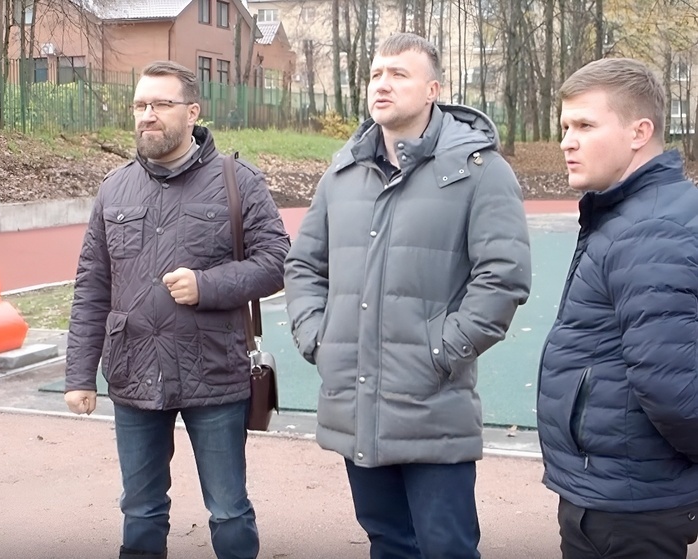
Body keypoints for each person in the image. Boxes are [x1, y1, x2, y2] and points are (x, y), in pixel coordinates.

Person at [283, 33, 531, 558]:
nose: (383, 84)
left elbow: (503, 276)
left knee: (447, 549)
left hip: (432, 407)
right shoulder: (343, 171)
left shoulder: (480, 171)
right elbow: (303, 264)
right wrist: (318, 338)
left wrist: (441, 349)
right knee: (389, 544)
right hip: (356, 405)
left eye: (399, 74)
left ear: (433, 90)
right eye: (376, 74)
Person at [64, 60, 289, 559]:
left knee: (228, 509)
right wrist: (79, 376)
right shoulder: (114, 188)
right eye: (140, 104)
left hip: (214, 373)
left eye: (161, 104)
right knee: (140, 510)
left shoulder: (238, 181)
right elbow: (92, 286)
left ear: (192, 112)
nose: (148, 114)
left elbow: (277, 261)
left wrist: (207, 285)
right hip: (134, 372)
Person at [537, 57, 698, 558]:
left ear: (639, 133)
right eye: (565, 127)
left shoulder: (650, 228)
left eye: (585, 126)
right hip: (616, 486)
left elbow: (672, 388)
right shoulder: (626, 213)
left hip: (629, 503)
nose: (567, 141)